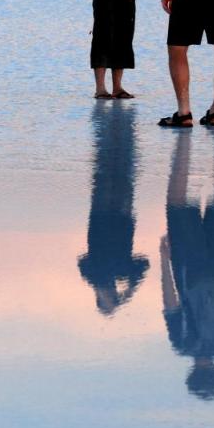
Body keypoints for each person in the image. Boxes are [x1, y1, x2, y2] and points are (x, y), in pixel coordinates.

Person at [160, 131, 214, 400]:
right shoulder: (183, 343)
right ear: (191, 375)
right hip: (190, 265)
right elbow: (171, 303)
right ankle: (183, 147)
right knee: (175, 202)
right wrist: (165, 258)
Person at [78, 103, 148, 316]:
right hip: (118, 217)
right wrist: (128, 293)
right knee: (118, 170)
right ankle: (119, 125)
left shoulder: (98, 275)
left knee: (111, 171)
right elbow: (144, 264)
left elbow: (142, 265)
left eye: (107, 299)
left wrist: (125, 292)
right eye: (112, 299)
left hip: (106, 217)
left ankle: (114, 125)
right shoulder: (119, 273)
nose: (111, 295)